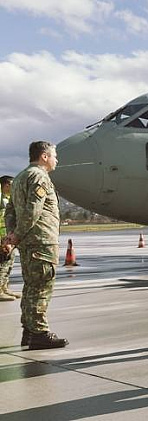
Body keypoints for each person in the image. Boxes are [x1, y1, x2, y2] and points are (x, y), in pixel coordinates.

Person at [3, 141, 68, 349]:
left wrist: (13, 235)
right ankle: (39, 332)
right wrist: (16, 237)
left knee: (31, 287)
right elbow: (33, 210)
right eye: (54, 156)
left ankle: (29, 331)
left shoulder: (21, 177)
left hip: (28, 243)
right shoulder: (39, 176)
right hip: (41, 241)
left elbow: (10, 211)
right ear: (44, 157)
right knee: (41, 286)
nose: (56, 160)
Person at [0, 175, 21, 301]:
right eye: (12, 185)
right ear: (6, 185)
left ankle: (5, 287)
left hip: (7, 236)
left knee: (9, 262)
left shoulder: (7, 198)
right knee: (3, 262)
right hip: (2, 237)